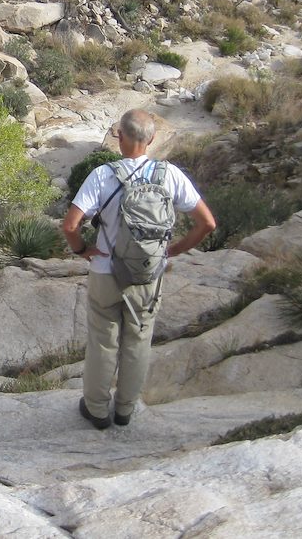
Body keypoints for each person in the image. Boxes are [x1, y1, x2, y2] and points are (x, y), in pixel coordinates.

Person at [62, 109, 215, 430]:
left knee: (103, 340)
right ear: (152, 139)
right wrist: (171, 251)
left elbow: (71, 225)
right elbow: (207, 223)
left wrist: (82, 250)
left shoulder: (103, 175)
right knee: (138, 339)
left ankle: (97, 410)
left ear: (120, 136)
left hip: (105, 270)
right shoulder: (169, 175)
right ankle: (125, 410)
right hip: (148, 273)